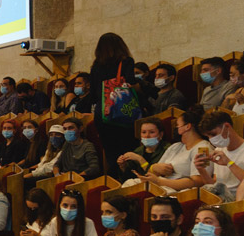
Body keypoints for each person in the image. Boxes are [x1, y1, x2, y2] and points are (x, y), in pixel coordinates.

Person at [90, 33, 138, 176]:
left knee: (112, 153)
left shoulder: (96, 66)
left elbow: (93, 94)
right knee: (128, 150)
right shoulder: (126, 61)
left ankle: (115, 180)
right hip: (121, 109)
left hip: (102, 113)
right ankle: (129, 179)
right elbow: (130, 83)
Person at [193, 109, 244, 201]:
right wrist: (201, 170)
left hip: (239, 199)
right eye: (208, 136)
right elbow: (214, 183)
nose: (211, 139)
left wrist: (229, 163)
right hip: (218, 197)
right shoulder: (219, 150)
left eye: (213, 134)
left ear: (227, 126)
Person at [138, 106, 211, 193]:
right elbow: (151, 173)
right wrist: (154, 168)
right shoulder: (175, 146)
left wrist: (159, 181)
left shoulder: (204, 149)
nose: (175, 128)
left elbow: (199, 181)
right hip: (160, 186)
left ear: (187, 126)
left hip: (179, 192)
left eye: (177, 125)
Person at [115, 118, 169, 184]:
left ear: (161, 134)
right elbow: (128, 178)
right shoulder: (138, 150)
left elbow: (156, 175)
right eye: (144, 132)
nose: (147, 136)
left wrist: (140, 159)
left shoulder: (168, 150)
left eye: (152, 132)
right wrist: (123, 167)